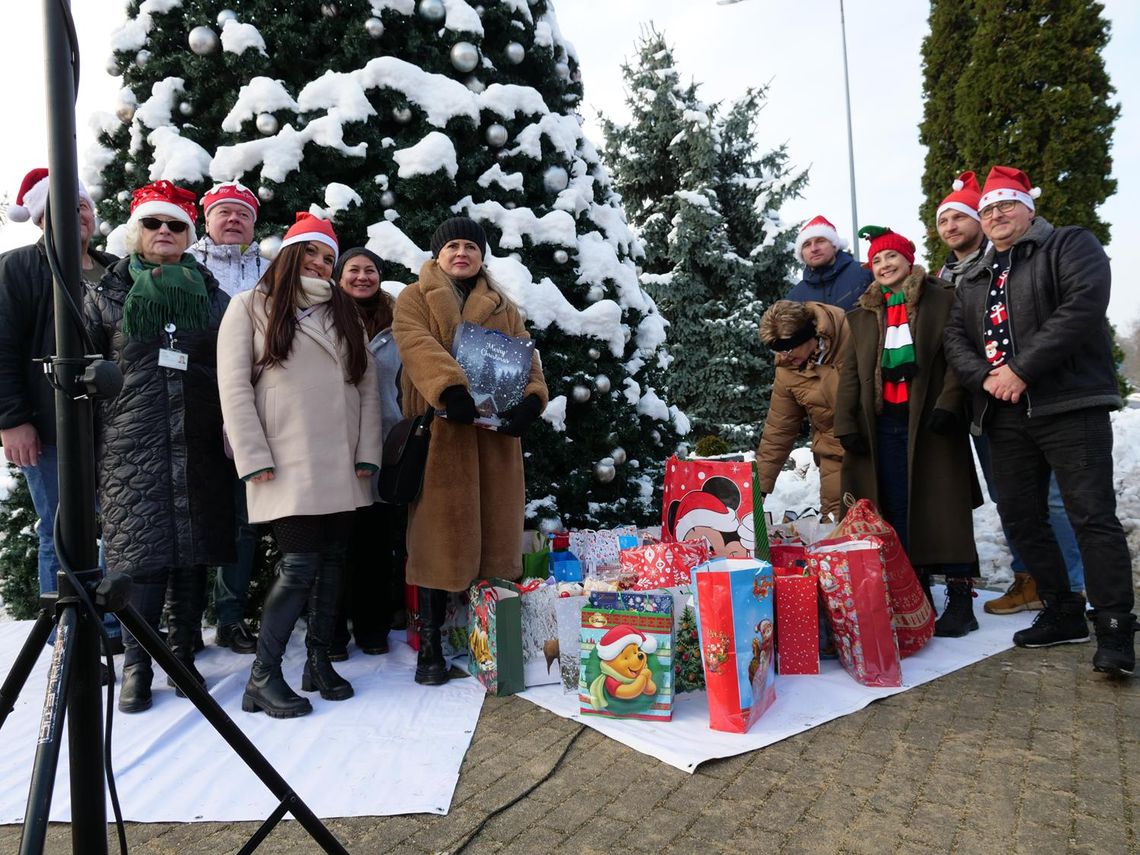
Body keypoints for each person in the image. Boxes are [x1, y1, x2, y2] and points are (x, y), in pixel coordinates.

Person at [944, 166, 1136, 676]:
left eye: (1006, 205)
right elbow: (955, 339)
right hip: (1003, 414)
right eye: (987, 210)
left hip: (1069, 405)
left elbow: (1082, 306)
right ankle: (1062, 611)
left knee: (1090, 516)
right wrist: (987, 379)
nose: (996, 216)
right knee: (1022, 518)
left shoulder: (1070, 245)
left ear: (1029, 207)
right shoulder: (978, 275)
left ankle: (1115, 626)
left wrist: (1021, 369)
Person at [218, 213, 381, 718]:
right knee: (298, 567)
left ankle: (317, 662)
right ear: (290, 255)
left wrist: (367, 453)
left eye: (329, 257)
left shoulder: (344, 313)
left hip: (343, 462)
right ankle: (262, 678)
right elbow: (234, 388)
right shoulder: (251, 307)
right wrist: (253, 457)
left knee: (333, 563)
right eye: (312, 253)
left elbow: (368, 388)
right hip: (286, 462)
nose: (321, 264)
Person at [84, 181, 235, 712]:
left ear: (189, 235)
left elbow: (231, 367)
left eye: (176, 225)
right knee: (139, 558)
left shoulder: (213, 297)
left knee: (191, 552)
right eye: (154, 224)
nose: (165, 232)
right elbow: (85, 375)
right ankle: (138, 666)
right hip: (133, 442)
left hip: (197, 437)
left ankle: (181, 656)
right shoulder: (105, 295)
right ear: (135, 232)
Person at [392, 216, 548, 685]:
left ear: (482, 255)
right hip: (442, 434)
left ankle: (490, 639)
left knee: (494, 537)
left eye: (471, 247)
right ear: (438, 253)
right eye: (453, 246)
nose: (462, 253)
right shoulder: (413, 298)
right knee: (439, 539)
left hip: (495, 440)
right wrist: (451, 389)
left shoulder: (504, 305)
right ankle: (432, 646)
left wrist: (532, 399)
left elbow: (527, 357)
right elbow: (415, 344)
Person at [934, 170, 1085, 615]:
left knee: (1055, 497)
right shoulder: (944, 276)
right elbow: (951, 339)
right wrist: (978, 379)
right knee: (1011, 497)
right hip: (982, 400)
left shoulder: (1011, 260)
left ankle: (1071, 585)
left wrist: (1017, 370)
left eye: (960, 217)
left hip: (1041, 392)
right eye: (943, 221)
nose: (951, 227)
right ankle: (1031, 578)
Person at [834, 226, 982, 638]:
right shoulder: (861, 316)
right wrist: (847, 424)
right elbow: (850, 374)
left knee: (945, 509)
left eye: (891, 257)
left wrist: (950, 404)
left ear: (908, 258)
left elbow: (957, 357)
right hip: (884, 426)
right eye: (876, 260)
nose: (883, 265)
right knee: (896, 510)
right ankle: (918, 595)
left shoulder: (940, 298)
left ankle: (959, 598)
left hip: (933, 422)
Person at [0, 168, 122, 652]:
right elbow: (2, 347)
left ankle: (111, 628)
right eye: (64, 207)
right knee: (61, 532)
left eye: (84, 206)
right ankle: (68, 635)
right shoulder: (17, 269)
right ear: (40, 218)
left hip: (112, 428)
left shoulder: (114, 269)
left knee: (117, 527)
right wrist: (12, 420)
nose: (78, 215)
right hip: (49, 429)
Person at [189, 181, 264, 654]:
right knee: (193, 516)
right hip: (196, 406)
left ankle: (232, 617)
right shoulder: (185, 267)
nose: (233, 220)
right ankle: (186, 622)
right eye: (224, 213)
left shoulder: (269, 270)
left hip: (253, 411)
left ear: (254, 224)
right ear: (207, 220)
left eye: (242, 214)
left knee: (244, 518)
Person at [331, 247, 406, 659]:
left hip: (382, 445)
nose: (362, 277)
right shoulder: (323, 319)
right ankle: (333, 632)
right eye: (353, 270)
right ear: (339, 278)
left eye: (370, 270)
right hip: (336, 444)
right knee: (337, 543)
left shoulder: (399, 325)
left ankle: (373, 627)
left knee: (376, 542)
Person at [755, 300, 848, 520]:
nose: (784, 356)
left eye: (788, 348)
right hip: (834, 456)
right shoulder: (787, 369)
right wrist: (759, 487)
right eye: (777, 351)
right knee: (839, 532)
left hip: (876, 448)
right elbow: (779, 429)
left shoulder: (851, 334)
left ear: (807, 335)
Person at [785, 215, 873, 312]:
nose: (814, 249)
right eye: (807, 245)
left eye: (820, 241)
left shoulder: (866, 273)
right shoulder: (793, 299)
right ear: (801, 254)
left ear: (834, 245)